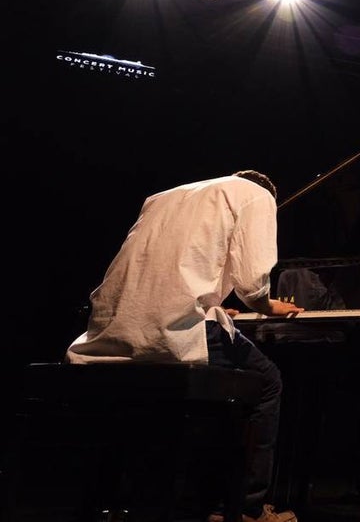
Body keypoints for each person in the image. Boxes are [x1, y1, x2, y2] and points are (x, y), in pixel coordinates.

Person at [66, 170, 304, 522]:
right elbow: (252, 283)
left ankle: (167, 497)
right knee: (267, 382)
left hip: (113, 331)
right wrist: (269, 305)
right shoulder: (257, 195)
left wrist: (211, 304)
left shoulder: (163, 198)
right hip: (173, 334)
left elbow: (165, 270)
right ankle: (244, 508)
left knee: (202, 390)